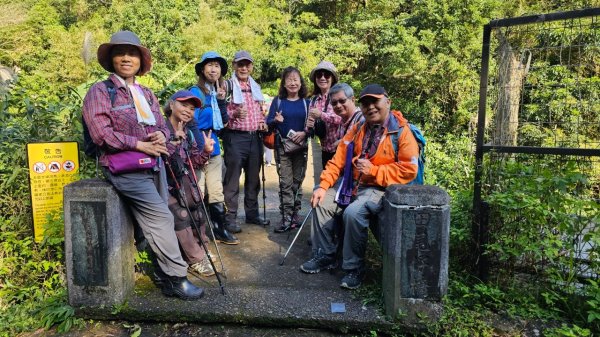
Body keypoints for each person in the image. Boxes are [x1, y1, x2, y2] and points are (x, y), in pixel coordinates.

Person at [83, 31, 203, 300]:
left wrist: (161, 135)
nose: (126, 58)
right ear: (112, 59)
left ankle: (160, 270)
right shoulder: (100, 91)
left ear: (140, 60)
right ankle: (175, 278)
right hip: (126, 168)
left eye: (132, 53)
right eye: (120, 53)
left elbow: (162, 126)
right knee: (161, 218)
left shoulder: (146, 94)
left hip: (154, 166)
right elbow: (100, 133)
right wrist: (140, 145)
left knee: (158, 219)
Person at [299, 84, 420, 290]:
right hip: (352, 185)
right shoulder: (358, 129)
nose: (370, 107)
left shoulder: (401, 132)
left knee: (353, 213)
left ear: (387, 102)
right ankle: (325, 255)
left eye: (375, 102)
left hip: (380, 189)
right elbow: (337, 160)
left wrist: (374, 171)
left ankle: (354, 268)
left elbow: (409, 170)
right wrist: (323, 185)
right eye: (366, 104)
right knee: (321, 202)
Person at [163, 90, 217, 277]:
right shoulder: (160, 129)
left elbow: (194, 161)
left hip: (185, 181)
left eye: (192, 108)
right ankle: (195, 258)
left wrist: (206, 151)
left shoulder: (189, 132)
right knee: (181, 214)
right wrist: (174, 142)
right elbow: (159, 158)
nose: (188, 110)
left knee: (198, 210)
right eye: (183, 105)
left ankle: (202, 248)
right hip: (165, 184)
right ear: (171, 105)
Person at [190, 51, 239, 245]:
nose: (213, 69)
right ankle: (198, 234)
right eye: (209, 65)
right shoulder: (196, 92)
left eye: (217, 66)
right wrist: (200, 146)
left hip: (215, 150)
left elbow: (224, 123)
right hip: (198, 150)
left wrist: (220, 100)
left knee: (216, 191)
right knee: (198, 192)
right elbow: (190, 122)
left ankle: (219, 230)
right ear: (202, 69)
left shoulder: (216, 93)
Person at [222, 50, 270, 232]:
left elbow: (260, 112)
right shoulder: (227, 86)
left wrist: (263, 124)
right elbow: (219, 113)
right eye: (240, 64)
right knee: (232, 179)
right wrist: (233, 113)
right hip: (235, 137)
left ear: (251, 67)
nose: (244, 68)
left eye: (247, 64)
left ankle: (252, 214)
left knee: (253, 179)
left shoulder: (256, 86)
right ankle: (230, 218)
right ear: (234, 65)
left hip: (255, 137)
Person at [266, 67, 310, 232]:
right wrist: (275, 121)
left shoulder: (307, 103)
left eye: (296, 79)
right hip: (282, 147)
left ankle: (294, 216)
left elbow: (312, 127)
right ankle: (286, 217)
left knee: (297, 183)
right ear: (284, 83)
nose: (293, 82)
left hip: (301, 148)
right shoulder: (278, 101)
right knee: (286, 183)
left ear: (300, 82)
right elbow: (268, 124)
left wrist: (304, 133)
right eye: (289, 79)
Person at [306, 61, 342, 170]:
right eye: (319, 75)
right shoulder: (314, 100)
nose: (322, 78)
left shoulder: (338, 96)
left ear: (333, 78)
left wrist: (321, 115)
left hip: (340, 149)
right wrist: (309, 126)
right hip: (324, 149)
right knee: (326, 183)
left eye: (326, 75)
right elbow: (310, 125)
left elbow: (342, 119)